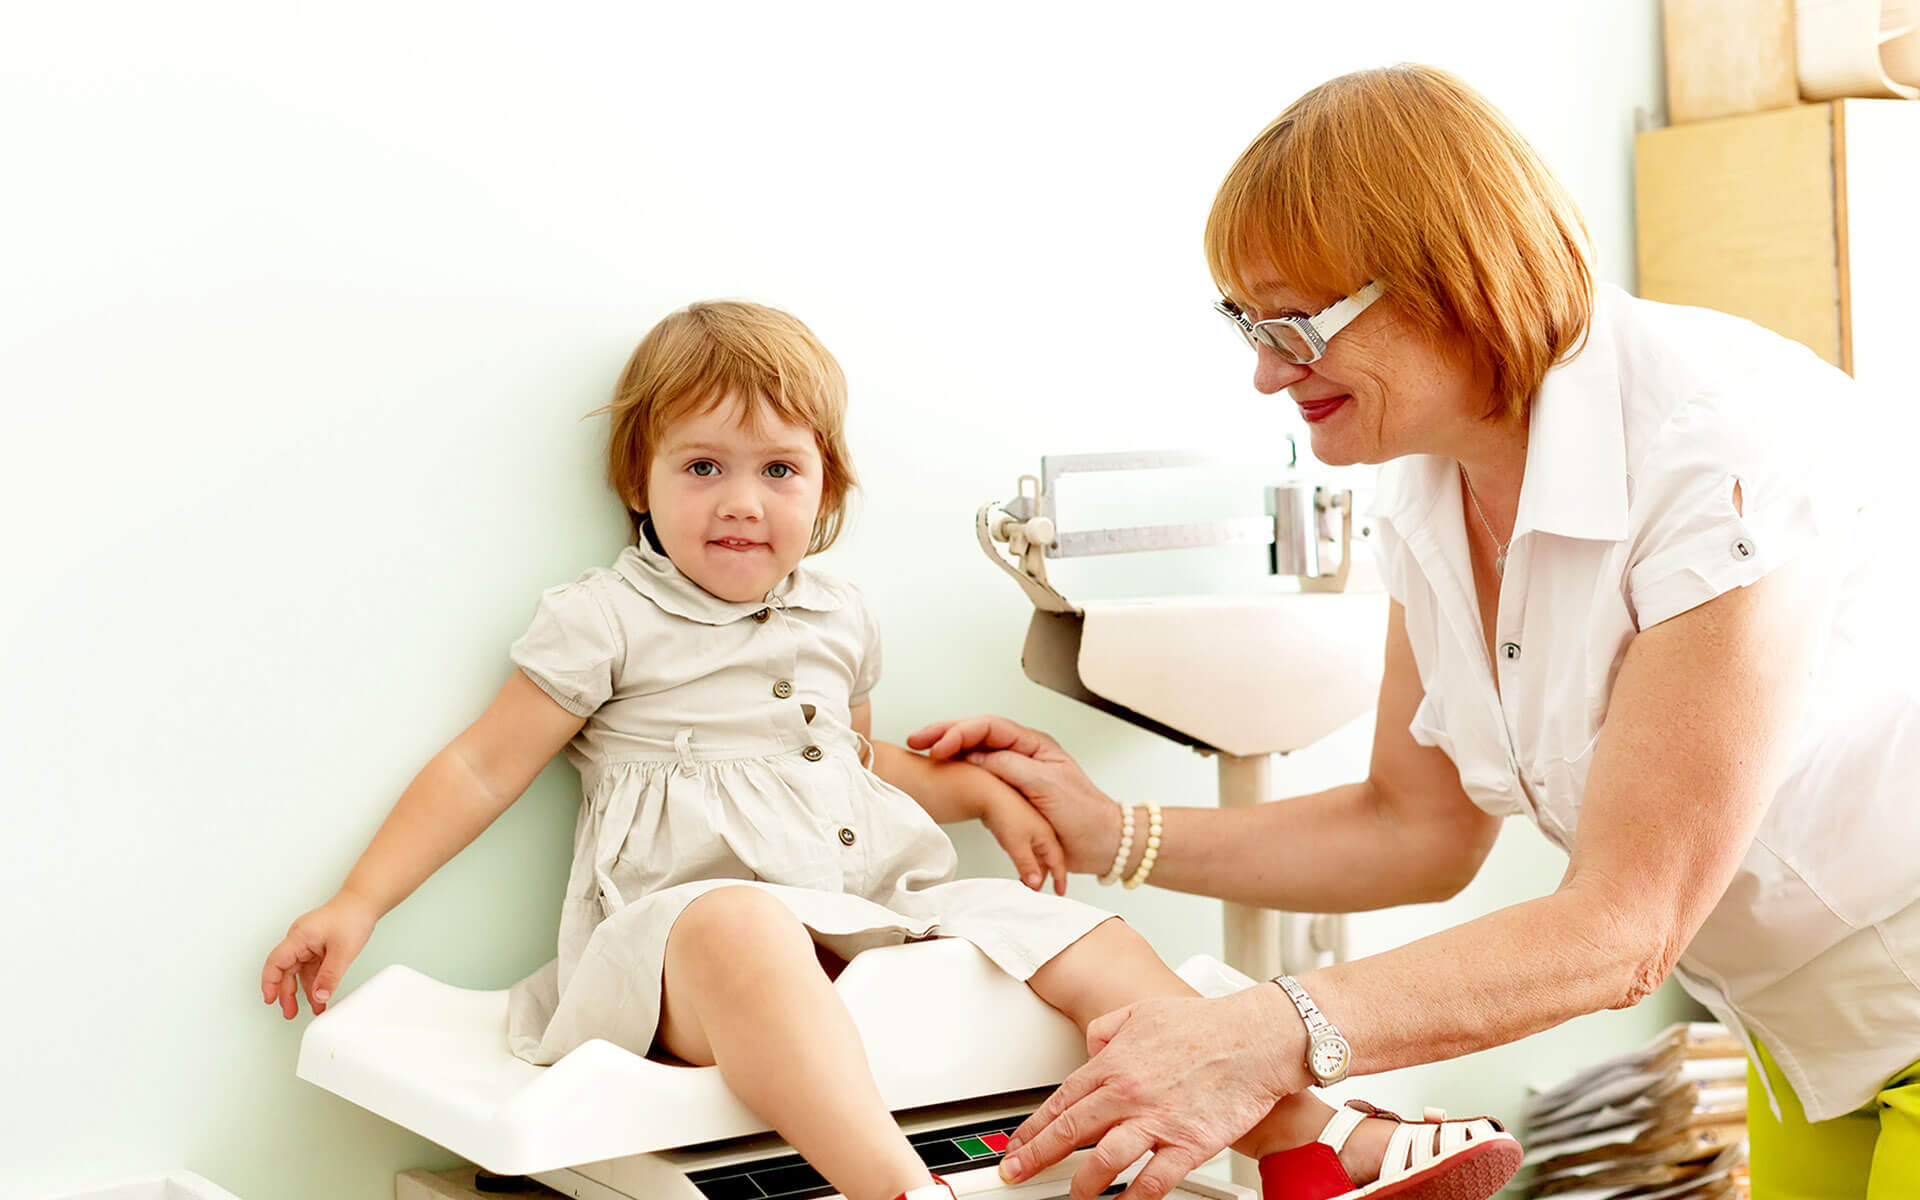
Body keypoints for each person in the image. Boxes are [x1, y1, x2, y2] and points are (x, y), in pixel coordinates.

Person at [914, 63, 1920, 1200]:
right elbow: (1413, 826)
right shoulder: (1430, 491)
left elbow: (1622, 927)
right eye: (1245, 323)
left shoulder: (1717, 442)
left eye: (1294, 324)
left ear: (1455, 275)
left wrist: (1269, 1034)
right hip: (1805, 1041)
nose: (1262, 371)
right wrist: (1106, 832)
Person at [258, 300, 1522, 1200]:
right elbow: (486, 765)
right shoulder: (608, 618)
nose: (740, 500)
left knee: (1075, 937)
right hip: (680, 943)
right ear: (639, 481)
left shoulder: (835, 617)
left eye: (777, 469)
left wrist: (975, 786)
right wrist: (359, 902)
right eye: (702, 466)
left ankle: (1311, 1143)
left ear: (827, 493)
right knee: (739, 925)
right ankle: (890, 1192)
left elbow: (847, 771)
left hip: (864, 904)